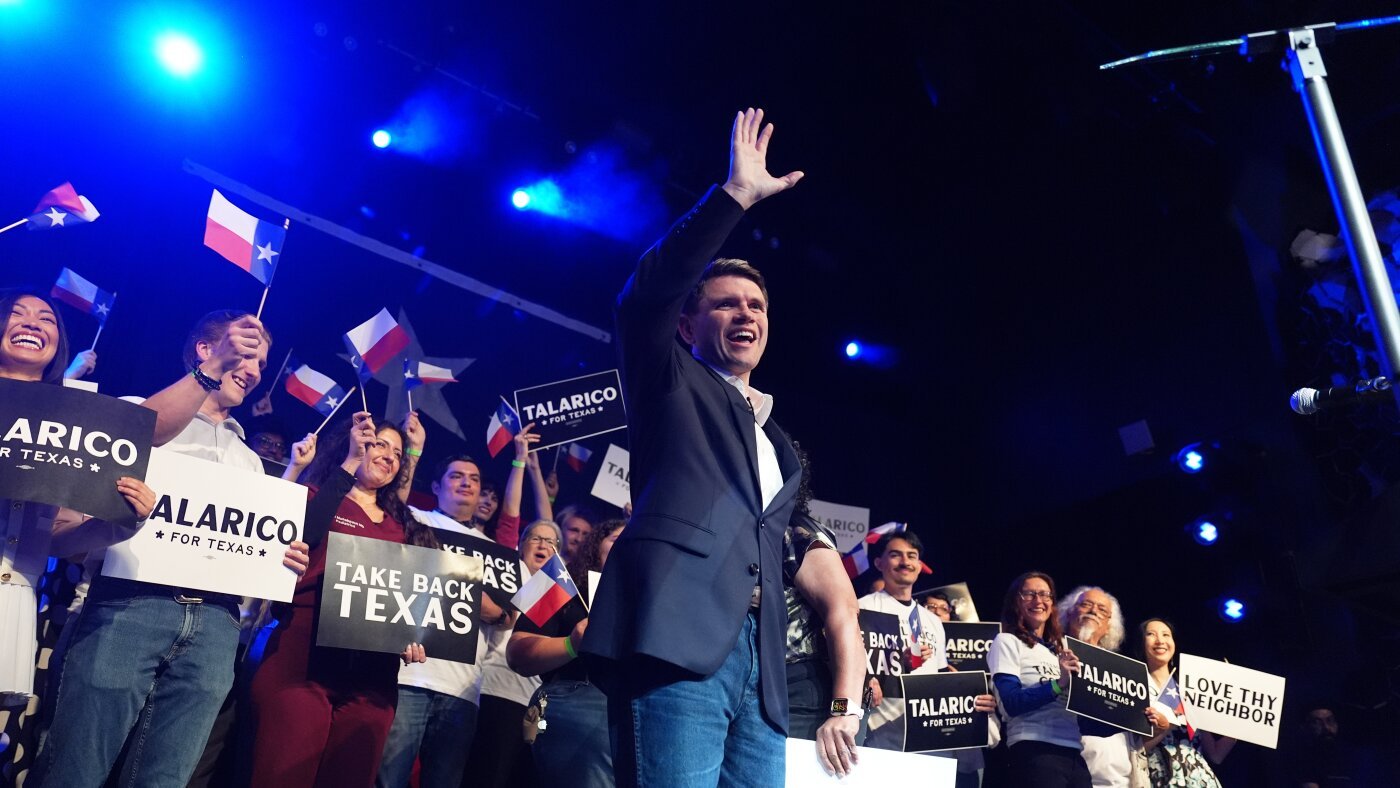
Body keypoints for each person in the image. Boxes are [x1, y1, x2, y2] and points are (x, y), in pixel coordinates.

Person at [584, 107, 806, 787]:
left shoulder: (778, 441)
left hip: (762, 666)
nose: (746, 314)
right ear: (686, 327)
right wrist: (734, 195)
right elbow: (644, 298)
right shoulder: (669, 381)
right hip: (676, 635)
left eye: (757, 307)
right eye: (726, 304)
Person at [32, 308, 309, 788]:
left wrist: (278, 556)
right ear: (206, 349)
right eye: (246, 353)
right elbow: (68, 528)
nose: (254, 370)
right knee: (75, 772)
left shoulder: (249, 461)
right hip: (127, 606)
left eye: (262, 363)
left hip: (215, 627)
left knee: (164, 780)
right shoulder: (137, 412)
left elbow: (246, 553)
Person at [247, 413, 433, 787]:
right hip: (303, 660)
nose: (390, 457)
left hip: (373, 677)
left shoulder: (401, 525)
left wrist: (413, 636)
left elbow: (408, 598)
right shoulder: (314, 496)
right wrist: (351, 460)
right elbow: (306, 533)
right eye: (380, 445)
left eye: (398, 454)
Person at [0, 289, 156, 705]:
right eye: (17, 313)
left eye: (46, 319)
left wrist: (120, 522)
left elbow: (57, 537)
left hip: (13, 598)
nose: (32, 323)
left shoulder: (72, 430)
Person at [375, 431, 531, 788]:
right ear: (436, 486)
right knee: (387, 779)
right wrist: (413, 450)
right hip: (409, 676)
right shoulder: (418, 519)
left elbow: (508, 616)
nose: (467, 483)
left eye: (474, 479)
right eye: (456, 476)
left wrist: (489, 610)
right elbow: (393, 505)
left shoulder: (497, 551)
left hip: (463, 688)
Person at [461, 436, 554, 788]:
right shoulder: (507, 569)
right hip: (494, 690)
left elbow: (548, 527)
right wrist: (520, 461)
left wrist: (537, 473)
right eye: (535, 539)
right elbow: (512, 517)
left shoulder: (556, 591)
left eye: (551, 543)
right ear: (519, 545)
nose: (543, 545)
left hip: (533, 702)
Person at [507, 517, 627, 787]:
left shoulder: (651, 599)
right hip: (570, 702)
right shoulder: (556, 578)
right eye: (617, 540)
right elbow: (515, 653)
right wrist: (572, 644)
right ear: (596, 544)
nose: (626, 546)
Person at [988, 571, 1090, 788]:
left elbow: (1083, 717)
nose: (1038, 601)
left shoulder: (1061, 651)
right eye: (1029, 594)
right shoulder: (1006, 641)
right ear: (1016, 602)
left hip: (1074, 754)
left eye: (1045, 595)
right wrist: (1058, 684)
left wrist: (1129, 718)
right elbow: (1012, 703)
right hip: (1034, 751)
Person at [1138, 618, 1234, 788]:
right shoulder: (1137, 688)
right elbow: (1135, 748)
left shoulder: (1190, 690)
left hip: (1200, 780)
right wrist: (1169, 723)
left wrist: (1241, 725)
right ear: (1141, 643)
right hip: (1159, 778)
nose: (1160, 640)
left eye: (1166, 635)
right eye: (1151, 634)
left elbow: (1216, 754)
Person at [1057, 586, 1132, 788]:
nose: (1093, 611)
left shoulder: (1120, 669)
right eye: (1086, 604)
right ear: (1068, 613)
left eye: (1102, 609)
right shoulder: (1049, 653)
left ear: (1108, 625)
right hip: (1064, 770)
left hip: (1115, 779)